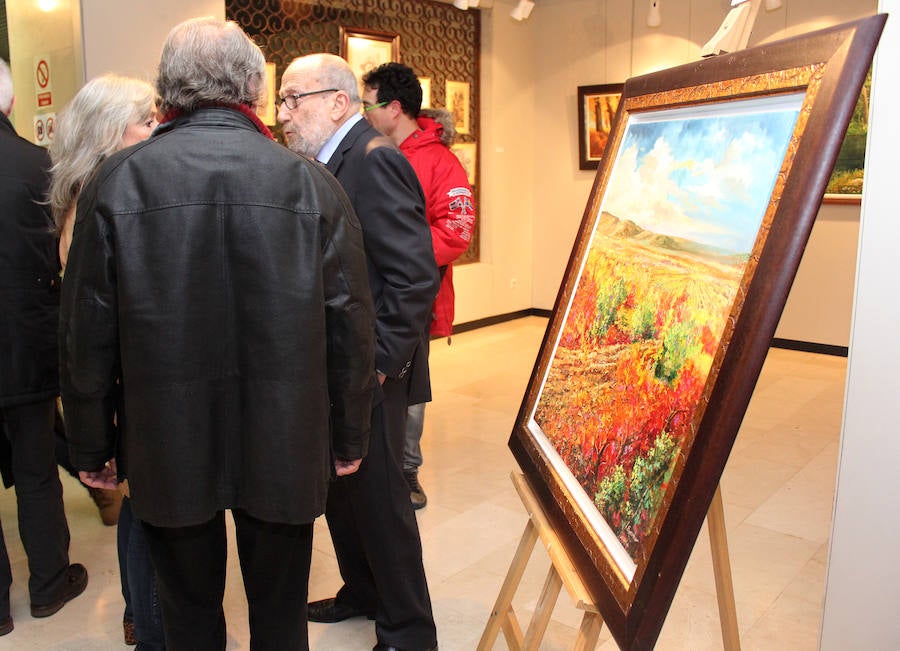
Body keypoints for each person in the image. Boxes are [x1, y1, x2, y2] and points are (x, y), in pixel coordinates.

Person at [59, 18, 376, 651]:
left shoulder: (117, 182)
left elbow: (84, 336)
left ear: (166, 93)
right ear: (256, 89)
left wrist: (92, 447)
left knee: (188, 617)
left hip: (166, 440)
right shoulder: (311, 183)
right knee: (281, 615)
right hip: (285, 437)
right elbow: (350, 327)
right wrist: (348, 435)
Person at [278, 53, 440, 651]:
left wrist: (379, 364)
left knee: (378, 501)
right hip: (338, 367)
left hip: (368, 370)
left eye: (295, 100)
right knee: (342, 494)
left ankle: (408, 631)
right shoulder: (330, 160)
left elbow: (413, 276)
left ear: (339, 101)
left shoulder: (374, 161)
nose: (283, 115)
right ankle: (362, 592)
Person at [48, 73, 163, 649]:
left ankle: (141, 613)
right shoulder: (97, 202)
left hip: (130, 380)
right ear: (112, 131)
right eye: (147, 122)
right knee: (145, 508)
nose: (157, 131)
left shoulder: (95, 191)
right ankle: (143, 616)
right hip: (129, 383)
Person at [361, 62, 476, 510]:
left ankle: (407, 469)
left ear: (393, 108)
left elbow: (457, 230)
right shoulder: (369, 153)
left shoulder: (438, 161)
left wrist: (396, 250)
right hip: (368, 296)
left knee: (409, 387)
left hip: (411, 297)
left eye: (367, 104)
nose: (362, 113)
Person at [0, 57, 88, 638]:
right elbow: (62, 254)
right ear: (9, 102)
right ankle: (49, 584)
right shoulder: (39, 164)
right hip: (24, 343)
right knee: (35, 468)